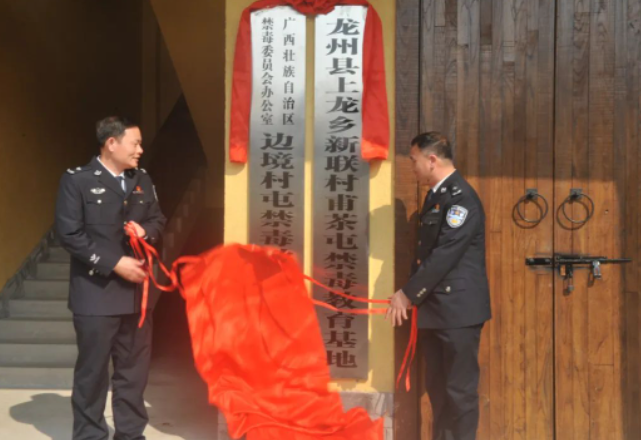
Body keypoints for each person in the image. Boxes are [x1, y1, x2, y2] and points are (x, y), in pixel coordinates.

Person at [55, 116, 166, 440]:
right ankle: (90, 435)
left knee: (134, 373)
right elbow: (69, 234)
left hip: (136, 297)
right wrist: (115, 263)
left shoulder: (141, 178)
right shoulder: (77, 181)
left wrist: (146, 231)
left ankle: (130, 434)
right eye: (135, 143)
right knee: (92, 374)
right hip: (95, 294)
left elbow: (158, 219)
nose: (141, 150)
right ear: (111, 143)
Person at [386, 132, 491, 440]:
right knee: (438, 390)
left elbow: (445, 254)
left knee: (459, 392)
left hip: (458, 313)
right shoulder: (436, 196)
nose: (412, 168)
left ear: (431, 160)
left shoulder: (461, 198)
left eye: (414, 161)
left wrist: (407, 294)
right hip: (435, 311)